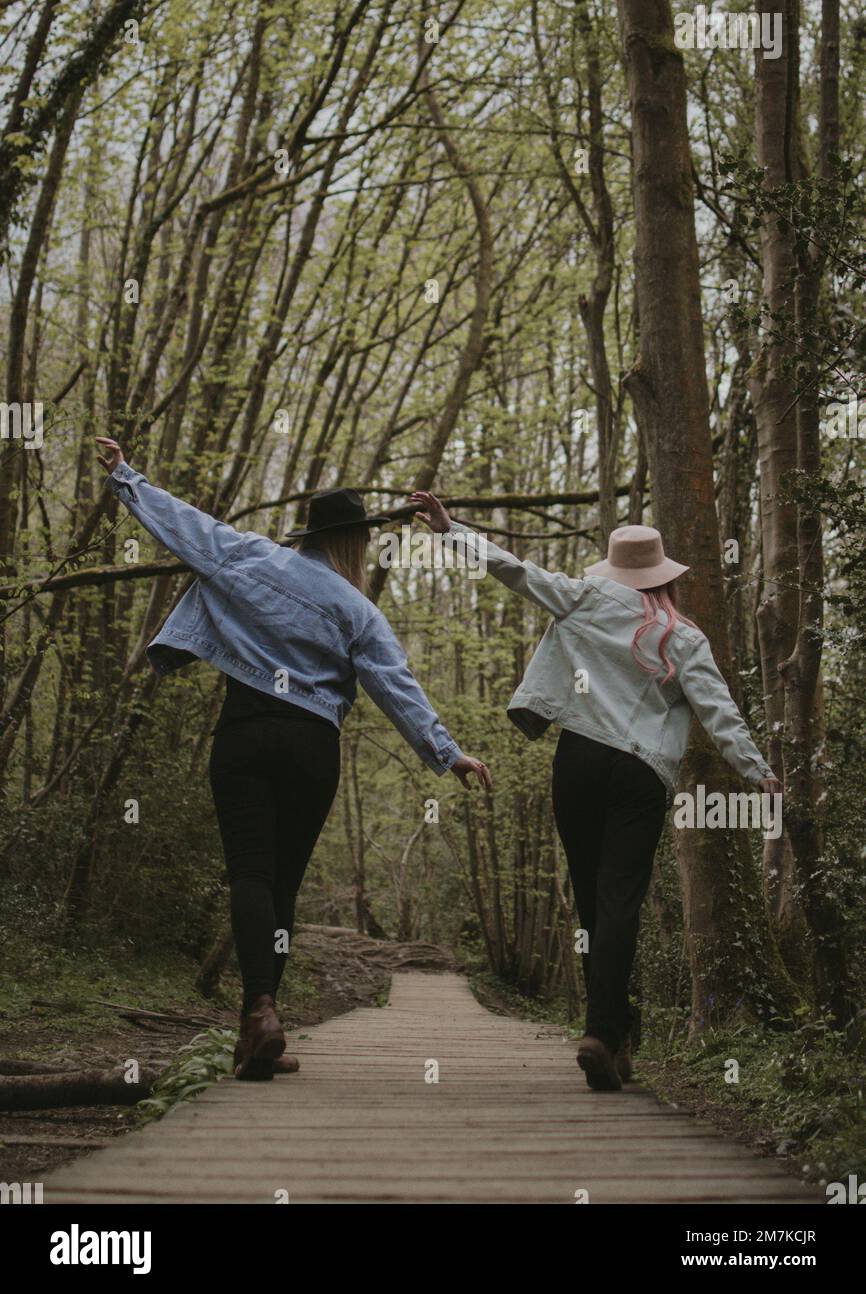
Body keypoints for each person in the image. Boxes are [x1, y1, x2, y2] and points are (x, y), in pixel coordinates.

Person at [96, 439, 491, 1081]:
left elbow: (187, 527)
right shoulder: (359, 609)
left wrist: (126, 477)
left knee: (250, 875)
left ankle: (260, 1015)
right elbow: (395, 687)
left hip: (246, 732)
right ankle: (258, 1032)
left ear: (310, 532)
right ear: (353, 543)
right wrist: (449, 755)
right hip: (310, 747)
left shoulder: (252, 555)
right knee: (281, 885)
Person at [409, 490, 781, 1093]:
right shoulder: (683, 638)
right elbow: (720, 714)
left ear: (614, 567)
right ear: (664, 577)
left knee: (591, 905)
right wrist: (758, 773)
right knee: (619, 906)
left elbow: (514, 569)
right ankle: (606, 1033)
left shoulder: (582, 598)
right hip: (638, 775)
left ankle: (610, 1029)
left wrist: (452, 531)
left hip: (577, 760)